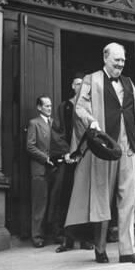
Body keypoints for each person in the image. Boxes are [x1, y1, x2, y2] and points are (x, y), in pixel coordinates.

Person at [65, 42, 135, 264]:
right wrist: (91, 121)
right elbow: (80, 107)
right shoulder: (91, 80)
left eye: (123, 60)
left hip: (129, 148)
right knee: (101, 200)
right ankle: (100, 248)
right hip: (105, 148)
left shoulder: (129, 83)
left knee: (128, 200)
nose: (120, 64)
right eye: (116, 60)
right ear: (105, 58)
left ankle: (127, 250)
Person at [48, 73, 94, 253]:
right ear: (72, 87)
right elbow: (57, 132)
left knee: (85, 199)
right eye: (77, 84)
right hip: (69, 160)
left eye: (83, 84)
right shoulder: (64, 107)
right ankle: (66, 241)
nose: (80, 86)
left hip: (86, 157)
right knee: (67, 199)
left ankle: (85, 240)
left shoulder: (91, 108)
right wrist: (67, 152)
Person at [26, 95, 54, 248]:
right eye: (46, 106)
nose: (49, 108)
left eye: (50, 106)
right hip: (40, 169)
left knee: (52, 203)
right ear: (39, 107)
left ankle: (51, 234)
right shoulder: (34, 123)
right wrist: (45, 158)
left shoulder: (53, 123)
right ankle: (37, 237)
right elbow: (30, 146)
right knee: (39, 204)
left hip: (53, 169)